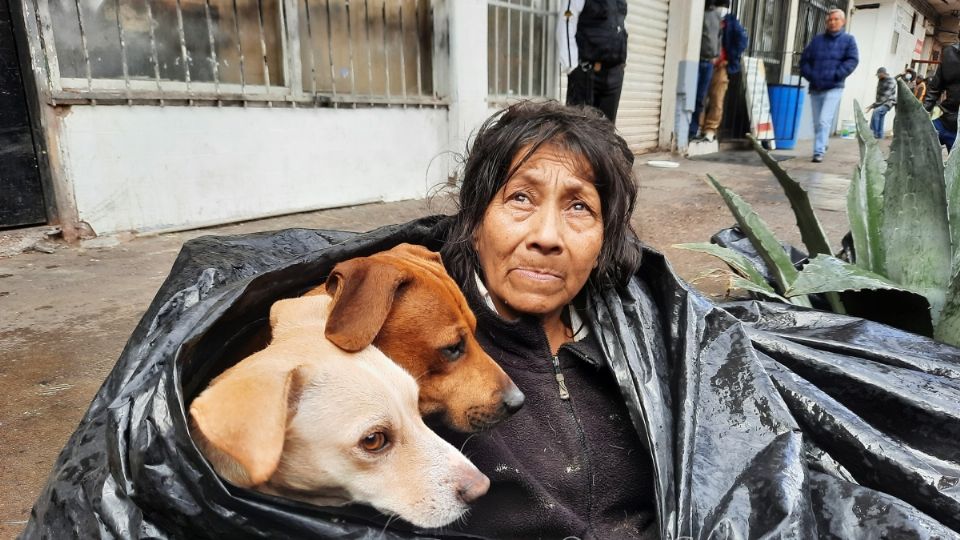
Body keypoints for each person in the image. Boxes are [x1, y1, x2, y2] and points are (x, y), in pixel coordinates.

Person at [438, 101, 657, 539]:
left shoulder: (649, 342)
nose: (547, 237)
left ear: (604, 242)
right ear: (476, 222)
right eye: (520, 197)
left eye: (579, 207)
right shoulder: (423, 347)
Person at [799, 8, 859, 163]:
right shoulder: (817, 40)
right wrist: (811, 75)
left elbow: (852, 60)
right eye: (829, 20)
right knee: (818, 121)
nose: (832, 22)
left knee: (824, 119)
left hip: (834, 86)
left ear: (843, 21)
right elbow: (804, 61)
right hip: (816, 86)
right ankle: (823, 143)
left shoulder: (848, 40)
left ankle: (818, 151)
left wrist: (837, 74)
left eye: (836, 19)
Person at [558, 0, 628, 122]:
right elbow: (567, 23)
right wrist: (572, 68)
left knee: (607, 130)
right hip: (587, 73)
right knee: (579, 129)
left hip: (613, 74)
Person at [698, 0, 749, 142]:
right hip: (707, 61)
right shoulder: (707, 15)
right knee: (701, 97)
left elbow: (742, 42)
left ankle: (710, 129)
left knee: (716, 98)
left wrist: (730, 59)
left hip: (721, 66)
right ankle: (700, 126)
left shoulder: (731, 22)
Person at [689, 0, 724, 141]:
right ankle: (689, 131)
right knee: (692, 96)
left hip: (709, 62)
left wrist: (716, 55)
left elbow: (719, 37)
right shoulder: (699, 12)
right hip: (696, 60)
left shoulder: (716, 14)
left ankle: (693, 130)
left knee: (701, 98)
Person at [924, 43, 960, 150]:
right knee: (917, 153)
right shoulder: (950, 53)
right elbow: (935, 88)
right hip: (944, 120)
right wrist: (922, 114)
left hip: (957, 132)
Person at [866, 67, 896, 139]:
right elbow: (879, 96)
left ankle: (874, 134)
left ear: (883, 73)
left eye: (879, 75)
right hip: (880, 103)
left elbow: (885, 96)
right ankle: (880, 136)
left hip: (888, 103)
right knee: (880, 118)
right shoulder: (880, 80)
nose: (878, 76)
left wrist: (873, 105)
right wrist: (875, 105)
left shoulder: (891, 81)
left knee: (876, 112)